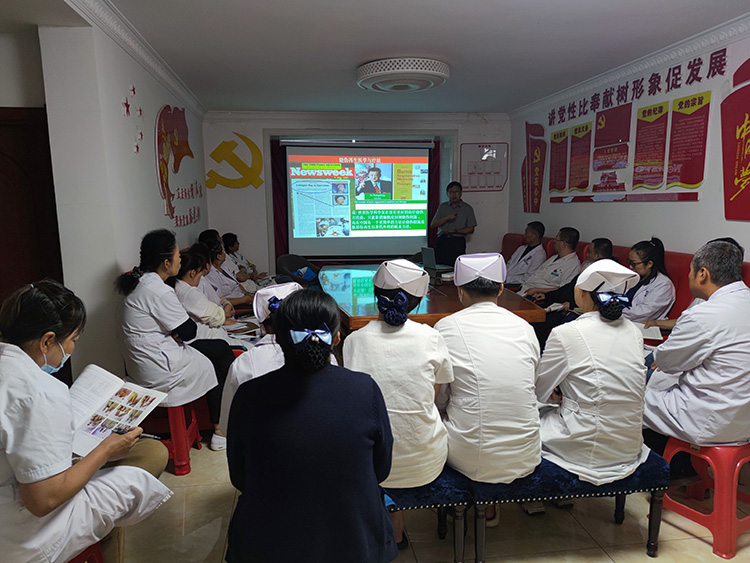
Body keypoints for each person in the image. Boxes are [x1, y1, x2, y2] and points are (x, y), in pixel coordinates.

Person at [0, 280, 171, 563]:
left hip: (14, 488)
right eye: (73, 341)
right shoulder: (38, 390)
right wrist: (106, 450)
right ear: (47, 341)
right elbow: (43, 500)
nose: (70, 350)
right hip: (21, 533)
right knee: (148, 460)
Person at [226, 290, 397, 563]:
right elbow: (381, 469)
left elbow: (239, 477)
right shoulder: (365, 389)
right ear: (337, 338)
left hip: (268, 544)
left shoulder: (249, 395)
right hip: (354, 540)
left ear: (278, 339)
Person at [343, 259, 453, 548]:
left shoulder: (354, 341)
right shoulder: (432, 338)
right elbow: (433, 399)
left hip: (370, 466)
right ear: (417, 302)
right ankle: (398, 523)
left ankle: (391, 525)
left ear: (375, 295)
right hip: (424, 462)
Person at [434, 254, 540, 526]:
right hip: (525, 453)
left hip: (468, 454)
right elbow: (530, 385)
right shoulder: (525, 328)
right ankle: (490, 506)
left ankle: (463, 503)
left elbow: (440, 395)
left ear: (460, 290)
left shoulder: (445, 328)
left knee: (440, 412)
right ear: (501, 288)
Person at [535, 260, 650, 488]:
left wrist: (555, 394)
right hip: (628, 445)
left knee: (527, 415)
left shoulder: (567, 332)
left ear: (581, 293)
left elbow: (540, 390)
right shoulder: (634, 332)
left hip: (584, 444)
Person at [116, 229, 225, 450]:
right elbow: (188, 331)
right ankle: (219, 427)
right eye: (177, 255)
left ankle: (219, 423)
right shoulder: (158, 290)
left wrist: (177, 331)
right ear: (166, 263)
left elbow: (181, 329)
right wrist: (178, 331)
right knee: (218, 356)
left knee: (219, 348)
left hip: (148, 360)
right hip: (160, 369)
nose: (180, 260)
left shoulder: (141, 282)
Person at [643, 241, 750, 457]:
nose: (689, 276)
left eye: (690, 271)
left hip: (709, 419)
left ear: (702, 274)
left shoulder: (702, 315)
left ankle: (649, 467)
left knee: (627, 397)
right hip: (744, 419)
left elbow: (666, 362)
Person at [218, 282, 302, 435]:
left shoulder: (245, 362)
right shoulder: (321, 355)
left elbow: (227, 425)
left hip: (261, 443)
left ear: (262, 325)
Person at [643, 237, 745, 331]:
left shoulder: (714, 306)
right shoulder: (707, 293)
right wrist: (656, 323)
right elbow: (685, 321)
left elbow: (690, 324)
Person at [170, 246, 246, 348]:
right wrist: (223, 316)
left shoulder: (179, 287)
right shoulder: (190, 292)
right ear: (193, 273)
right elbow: (216, 316)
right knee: (251, 348)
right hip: (212, 340)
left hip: (214, 335)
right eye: (200, 273)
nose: (201, 277)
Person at [622, 237, 675, 322]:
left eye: (634, 263)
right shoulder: (634, 277)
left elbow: (643, 314)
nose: (630, 267)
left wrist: (615, 313)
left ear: (649, 264)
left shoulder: (663, 284)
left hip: (640, 325)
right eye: (629, 262)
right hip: (622, 320)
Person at [519, 227, 581, 296]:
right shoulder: (553, 258)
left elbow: (562, 290)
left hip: (538, 295)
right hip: (525, 288)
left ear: (563, 244)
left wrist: (537, 290)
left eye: (556, 240)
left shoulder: (573, 265)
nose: (554, 242)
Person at [430, 181, 478, 267]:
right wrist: (447, 218)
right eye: (451, 192)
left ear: (461, 193)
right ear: (447, 193)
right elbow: (433, 224)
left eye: (456, 192)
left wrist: (456, 231)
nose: (454, 194)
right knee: (439, 266)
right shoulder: (443, 206)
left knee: (456, 267)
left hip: (458, 242)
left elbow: (471, 229)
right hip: (443, 240)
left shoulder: (467, 208)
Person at [203, 240, 254, 308]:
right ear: (219, 256)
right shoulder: (211, 274)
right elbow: (219, 300)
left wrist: (247, 294)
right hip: (234, 305)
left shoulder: (223, 267)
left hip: (243, 297)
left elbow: (237, 283)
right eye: (223, 251)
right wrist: (244, 300)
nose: (225, 254)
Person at [505, 221, 547, 286]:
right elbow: (508, 264)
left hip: (515, 285)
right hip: (504, 280)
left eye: (526, 233)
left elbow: (528, 278)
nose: (524, 235)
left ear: (535, 236)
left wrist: (507, 279)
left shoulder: (539, 256)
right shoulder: (521, 248)